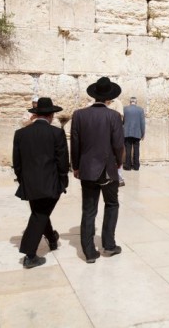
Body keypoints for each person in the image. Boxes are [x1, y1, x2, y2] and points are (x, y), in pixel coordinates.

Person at [71, 77, 124, 263]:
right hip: (108, 169)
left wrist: (75, 166)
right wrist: (119, 162)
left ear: (94, 95)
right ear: (109, 97)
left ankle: (89, 253)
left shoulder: (78, 115)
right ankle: (109, 245)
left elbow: (75, 144)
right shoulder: (114, 116)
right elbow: (118, 144)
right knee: (112, 204)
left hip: (86, 169)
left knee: (89, 209)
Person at [13, 97, 69, 269]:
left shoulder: (21, 134)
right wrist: (63, 182)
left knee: (40, 211)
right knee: (39, 215)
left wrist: (23, 180)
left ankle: (52, 238)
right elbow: (62, 162)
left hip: (29, 183)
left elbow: (17, 162)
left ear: (35, 114)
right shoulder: (56, 133)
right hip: (50, 183)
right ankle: (29, 254)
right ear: (51, 115)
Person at [123, 97, 146, 171]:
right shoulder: (140, 110)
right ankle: (136, 166)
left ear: (130, 102)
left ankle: (128, 166)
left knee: (128, 150)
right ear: (136, 102)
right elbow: (142, 123)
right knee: (136, 150)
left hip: (127, 133)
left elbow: (122, 121)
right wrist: (143, 133)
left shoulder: (125, 109)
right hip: (137, 133)